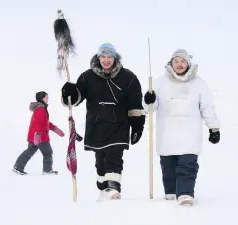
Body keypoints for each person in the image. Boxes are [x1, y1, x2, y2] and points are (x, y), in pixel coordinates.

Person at [61, 43, 146, 200]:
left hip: (119, 125)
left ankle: (113, 188)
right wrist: (69, 93)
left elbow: (135, 104)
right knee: (100, 160)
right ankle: (103, 188)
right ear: (98, 58)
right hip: (96, 126)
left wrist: (137, 126)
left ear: (115, 58)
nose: (106, 61)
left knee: (114, 156)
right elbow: (74, 101)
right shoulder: (87, 77)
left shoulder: (128, 77)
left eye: (109, 57)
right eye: (103, 57)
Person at [143, 49, 220, 206]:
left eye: (182, 61)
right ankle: (171, 194)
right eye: (176, 61)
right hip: (167, 134)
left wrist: (214, 128)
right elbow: (149, 108)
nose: (179, 64)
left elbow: (207, 108)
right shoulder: (159, 83)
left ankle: (185, 194)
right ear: (171, 63)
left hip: (189, 135)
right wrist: (148, 100)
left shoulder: (199, 84)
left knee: (188, 165)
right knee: (168, 168)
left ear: (188, 63)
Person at [13, 91, 67, 175]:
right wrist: (37, 135)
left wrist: (55, 129)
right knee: (48, 152)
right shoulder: (41, 109)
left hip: (35, 136)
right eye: (46, 97)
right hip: (40, 137)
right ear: (41, 98)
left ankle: (18, 167)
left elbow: (45, 123)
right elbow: (37, 122)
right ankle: (47, 170)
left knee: (29, 151)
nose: (47, 99)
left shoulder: (41, 108)